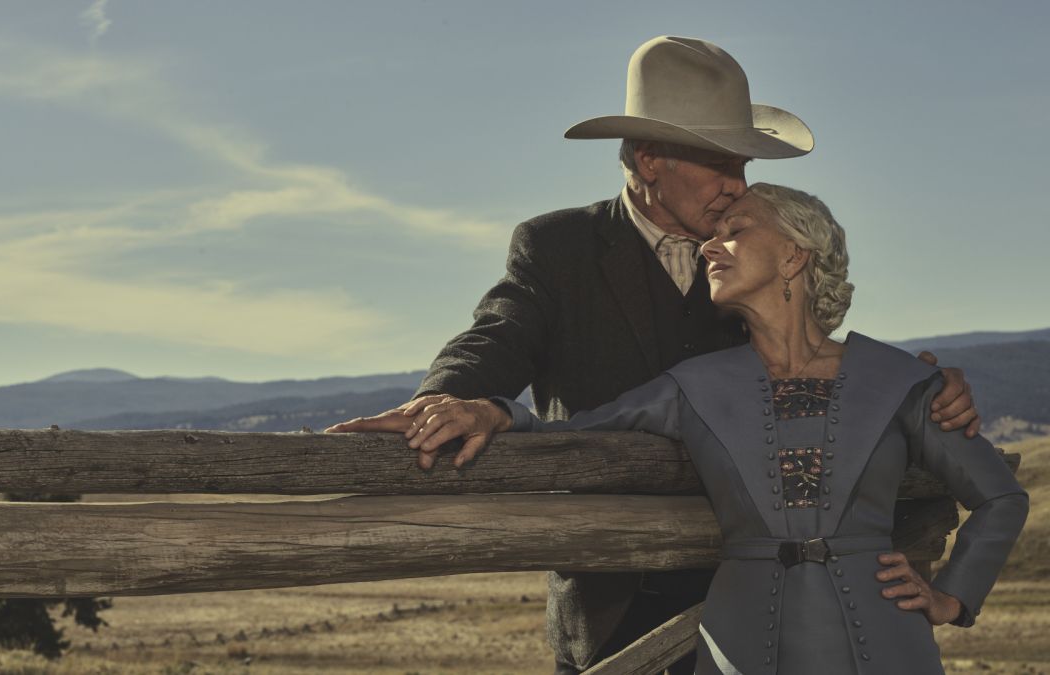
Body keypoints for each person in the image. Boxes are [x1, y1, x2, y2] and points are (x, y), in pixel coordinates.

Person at [327, 36, 980, 674]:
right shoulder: (558, 248)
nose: (738, 184)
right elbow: (497, 337)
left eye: (744, 166)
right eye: (719, 163)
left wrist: (918, 390)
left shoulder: (751, 255)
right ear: (648, 160)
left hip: (753, 597)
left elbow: (813, 367)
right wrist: (448, 398)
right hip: (611, 600)